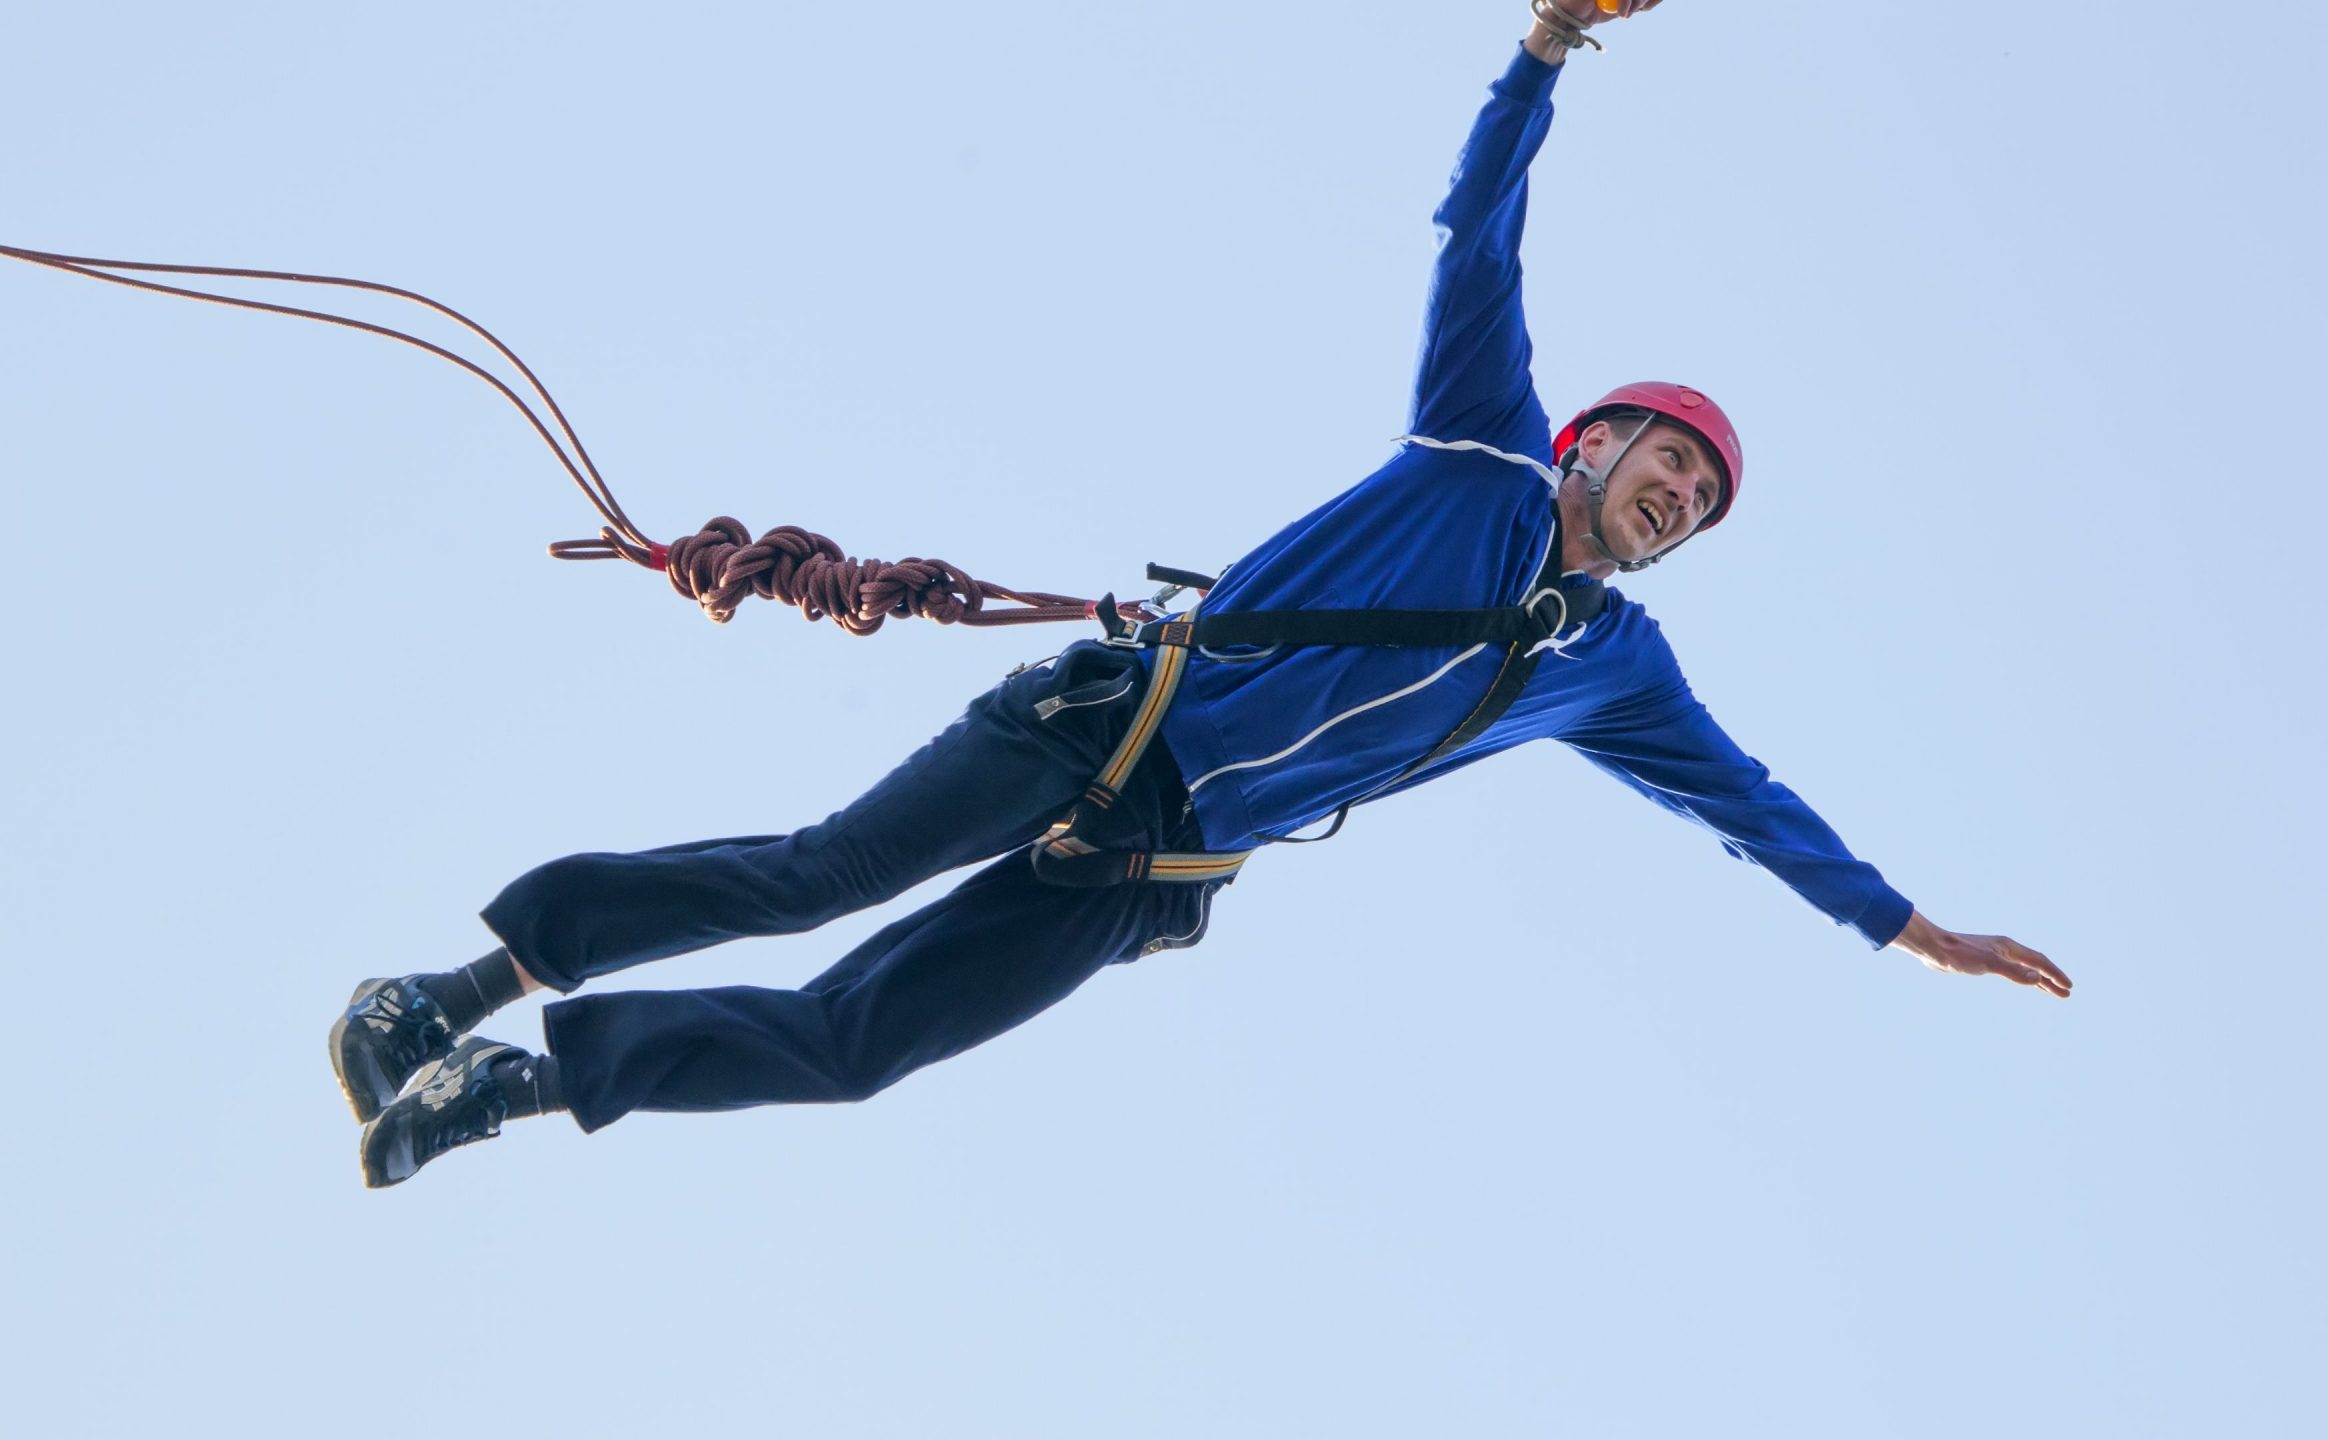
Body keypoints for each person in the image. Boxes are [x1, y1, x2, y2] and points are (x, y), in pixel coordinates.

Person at [333, 0, 2071, 1189]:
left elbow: (1747, 805)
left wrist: (1903, 926)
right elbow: (1480, 232)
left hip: (1157, 865)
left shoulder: (1612, 665)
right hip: (1108, 720)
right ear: (1591, 440)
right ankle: (452, 993)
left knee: (859, 1045)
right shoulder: (1478, 446)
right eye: (1666, 462)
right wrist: (1545, 46)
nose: (1675, 498)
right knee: (819, 877)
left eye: (1696, 505)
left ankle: (516, 1087)